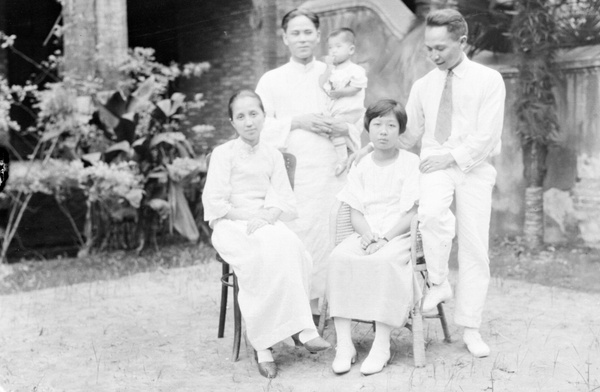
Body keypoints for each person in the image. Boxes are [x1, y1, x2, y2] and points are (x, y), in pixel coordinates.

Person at [350, 9, 505, 358]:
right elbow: (410, 135)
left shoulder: (488, 80)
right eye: (428, 48)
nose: (433, 56)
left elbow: (487, 136)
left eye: (441, 48)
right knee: (432, 215)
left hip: (474, 167)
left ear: (462, 41)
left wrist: (451, 157)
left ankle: (471, 327)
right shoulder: (423, 85)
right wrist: (371, 147)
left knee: (475, 246)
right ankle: (438, 282)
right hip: (435, 165)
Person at [202, 90, 331, 379]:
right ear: (232, 122)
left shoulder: (273, 155)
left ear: (263, 117)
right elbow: (216, 205)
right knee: (261, 254)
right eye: (241, 116)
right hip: (231, 224)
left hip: (265, 221)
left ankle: (301, 329)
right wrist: (252, 217)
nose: (248, 122)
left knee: (292, 245)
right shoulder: (223, 155)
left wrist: (268, 216)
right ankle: (263, 346)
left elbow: (284, 199)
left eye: (254, 114)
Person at [256, 8, 362, 316]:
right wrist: (298, 122)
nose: (302, 39)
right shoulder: (271, 80)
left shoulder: (338, 75)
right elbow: (261, 128)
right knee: (299, 235)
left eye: (308, 33)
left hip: (331, 171)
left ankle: (332, 307)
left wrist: (344, 128)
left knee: (332, 234)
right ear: (285, 38)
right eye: (295, 33)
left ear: (318, 36)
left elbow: (355, 118)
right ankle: (297, 309)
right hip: (294, 175)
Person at [327, 99, 421, 376]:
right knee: (339, 257)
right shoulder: (362, 164)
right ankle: (345, 345)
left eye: (391, 125)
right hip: (366, 232)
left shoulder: (410, 162)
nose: (383, 131)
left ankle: (381, 345)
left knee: (384, 261)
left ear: (400, 130)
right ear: (367, 128)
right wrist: (367, 234)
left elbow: (411, 211)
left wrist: (386, 238)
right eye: (377, 124)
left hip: (399, 234)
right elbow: (355, 210)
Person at [318, 28, 367, 176]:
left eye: (338, 47)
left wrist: (340, 92)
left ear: (351, 49)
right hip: (336, 111)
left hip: (350, 110)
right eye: (330, 47)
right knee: (337, 134)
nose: (333, 51)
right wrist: (328, 67)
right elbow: (321, 83)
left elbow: (357, 87)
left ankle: (343, 160)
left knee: (336, 130)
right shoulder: (332, 71)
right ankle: (349, 158)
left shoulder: (355, 69)